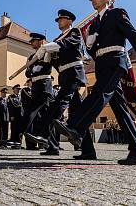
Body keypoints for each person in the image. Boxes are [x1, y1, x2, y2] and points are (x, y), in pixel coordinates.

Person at [54, 0, 136, 165]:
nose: (93, 0)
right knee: (120, 110)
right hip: (102, 64)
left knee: (99, 93)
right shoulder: (95, 23)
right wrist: (90, 44)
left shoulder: (117, 13)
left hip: (116, 61)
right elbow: (92, 51)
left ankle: (75, 126)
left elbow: (133, 35)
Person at [26, 9, 93, 158]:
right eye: (58, 20)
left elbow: (66, 44)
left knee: (58, 104)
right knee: (77, 112)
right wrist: (44, 56)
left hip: (74, 73)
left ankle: (43, 135)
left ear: (69, 21)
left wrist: (48, 47)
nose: (59, 22)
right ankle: (88, 150)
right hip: (65, 76)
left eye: (62, 19)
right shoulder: (58, 38)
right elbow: (54, 60)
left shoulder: (74, 33)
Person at [19, 33, 54, 148]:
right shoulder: (31, 57)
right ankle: (50, 145)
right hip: (35, 86)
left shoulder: (47, 52)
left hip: (44, 85)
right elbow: (27, 73)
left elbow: (45, 67)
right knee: (42, 116)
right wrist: (34, 70)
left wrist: (35, 69)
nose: (31, 43)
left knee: (46, 115)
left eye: (33, 41)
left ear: (40, 41)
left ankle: (51, 145)